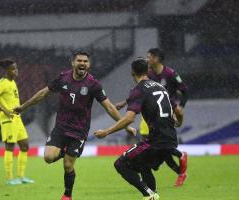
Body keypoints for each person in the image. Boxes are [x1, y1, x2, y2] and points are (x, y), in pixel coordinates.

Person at [14, 51, 136, 200]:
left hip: (79, 131)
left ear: (89, 65)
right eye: (79, 61)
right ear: (73, 63)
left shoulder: (93, 84)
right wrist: (23, 107)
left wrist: (126, 126)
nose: (82, 63)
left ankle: (67, 195)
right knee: (48, 158)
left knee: (68, 165)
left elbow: (109, 107)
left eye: (85, 61)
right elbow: (43, 93)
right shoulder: (63, 78)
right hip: (60, 128)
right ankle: (66, 152)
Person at [94, 58, 184, 200]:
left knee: (120, 164)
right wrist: (178, 122)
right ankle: (151, 195)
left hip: (155, 141)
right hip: (171, 140)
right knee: (143, 165)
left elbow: (129, 118)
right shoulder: (160, 87)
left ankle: (148, 194)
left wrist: (106, 132)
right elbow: (176, 112)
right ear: (148, 70)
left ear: (132, 72)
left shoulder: (138, 90)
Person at [115, 48, 188, 186]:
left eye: (149, 57)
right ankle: (175, 171)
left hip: (166, 112)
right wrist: (126, 102)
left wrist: (181, 107)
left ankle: (177, 159)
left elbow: (184, 91)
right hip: (150, 112)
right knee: (156, 146)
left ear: (157, 58)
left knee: (158, 144)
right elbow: (141, 93)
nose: (147, 59)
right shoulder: (150, 75)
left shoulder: (170, 73)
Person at [0, 59, 35, 185]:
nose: (16, 71)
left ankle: (21, 176)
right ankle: (9, 178)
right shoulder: (2, 83)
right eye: (13, 69)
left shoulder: (12, 82)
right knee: (10, 148)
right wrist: (5, 111)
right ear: (7, 70)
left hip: (17, 119)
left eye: (16, 68)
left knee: (25, 146)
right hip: (8, 120)